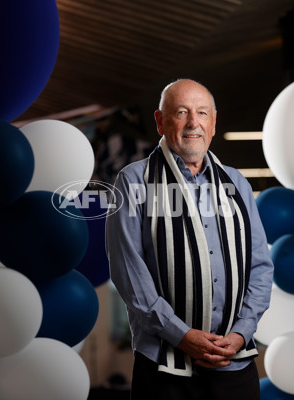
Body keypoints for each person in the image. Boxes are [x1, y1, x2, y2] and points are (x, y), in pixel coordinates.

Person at [105, 79, 274, 400]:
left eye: (201, 113)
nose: (193, 123)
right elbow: (129, 274)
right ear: (160, 121)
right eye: (181, 112)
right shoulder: (132, 180)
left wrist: (241, 332)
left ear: (213, 123)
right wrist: (181, 335)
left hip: (233, 363)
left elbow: (261, 266)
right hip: (164, 369)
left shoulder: (236, 181)